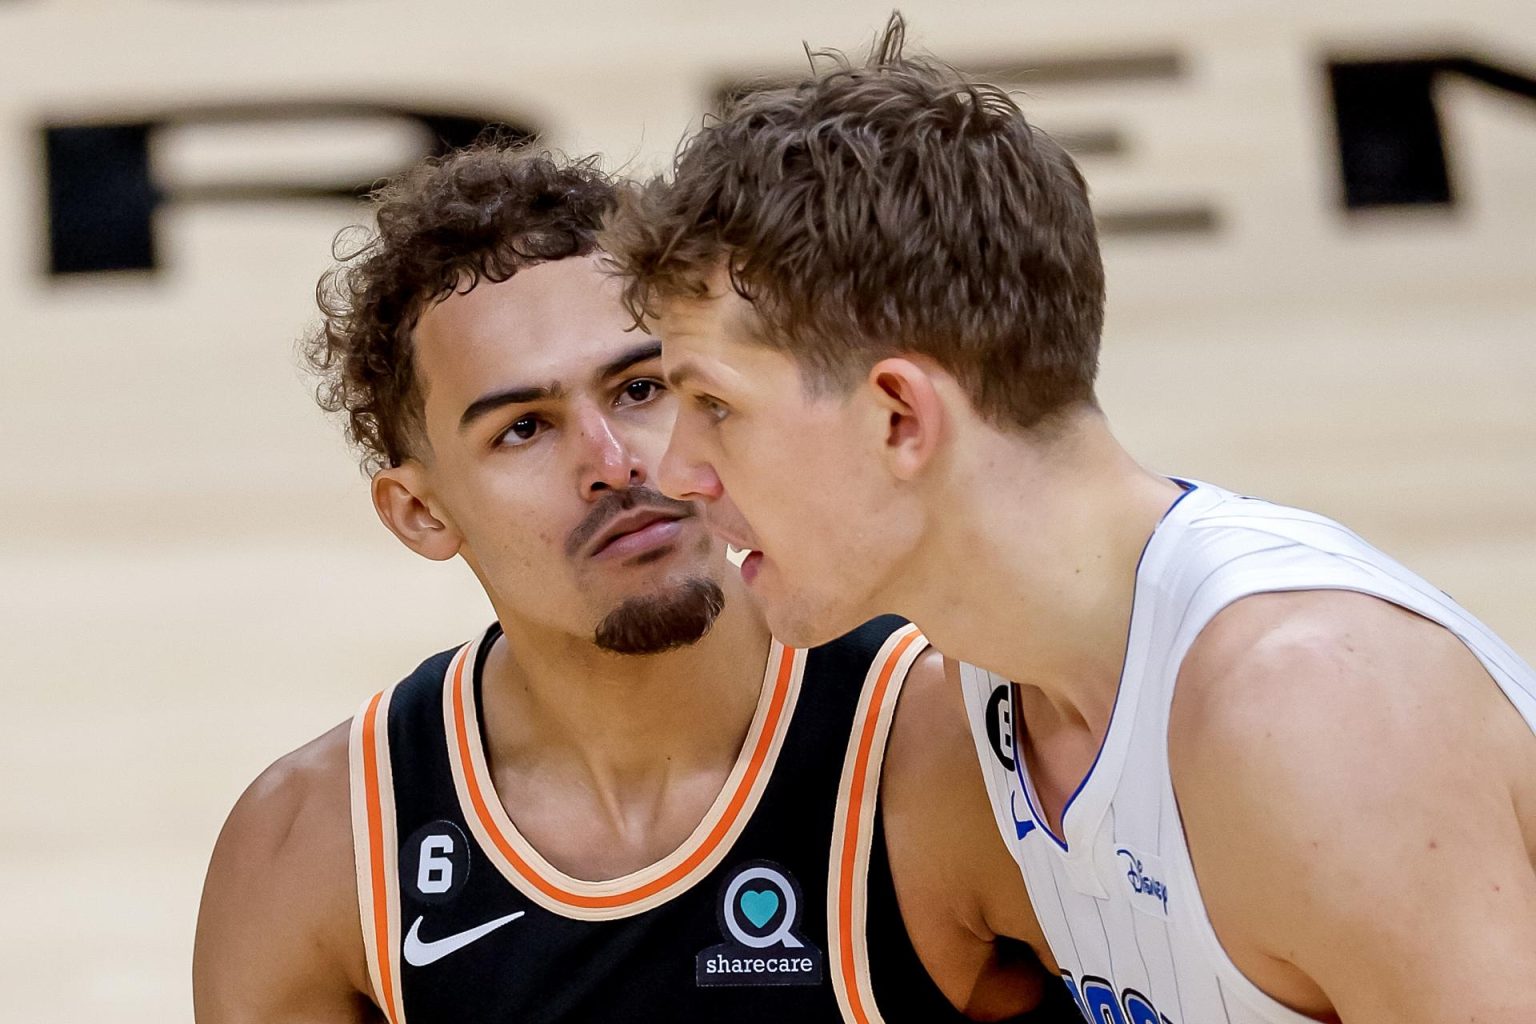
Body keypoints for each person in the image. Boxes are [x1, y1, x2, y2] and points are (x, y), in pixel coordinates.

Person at [602, 15, 1536, 1024]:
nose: (675, 472)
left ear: (901, 417)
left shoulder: (1307, 708)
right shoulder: (996, 686)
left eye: (715, 407)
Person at [191, 142, 1078, 1024]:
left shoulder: (960, 749)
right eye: (524, 429)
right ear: (421, 512)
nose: (610, 464)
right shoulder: (314, 853)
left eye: (641, 388)